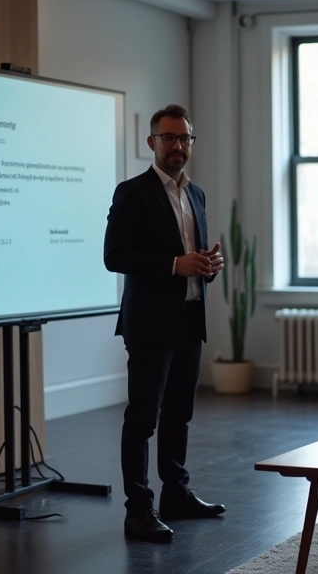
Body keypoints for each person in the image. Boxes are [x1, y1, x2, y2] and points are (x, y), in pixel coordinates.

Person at [103, 104, 226, 542]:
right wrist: (177, 264)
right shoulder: (131, 193)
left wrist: (208, 266)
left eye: (185, 139)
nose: (178, 146)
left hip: (190, 320)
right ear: (151, 141)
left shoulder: (197, 194)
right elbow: (114, 257)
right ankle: (138, 510)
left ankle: (176, 494)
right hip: (151, 325)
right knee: (142, 420)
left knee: (179, 416)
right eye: (169, 137)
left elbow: (194, 256)